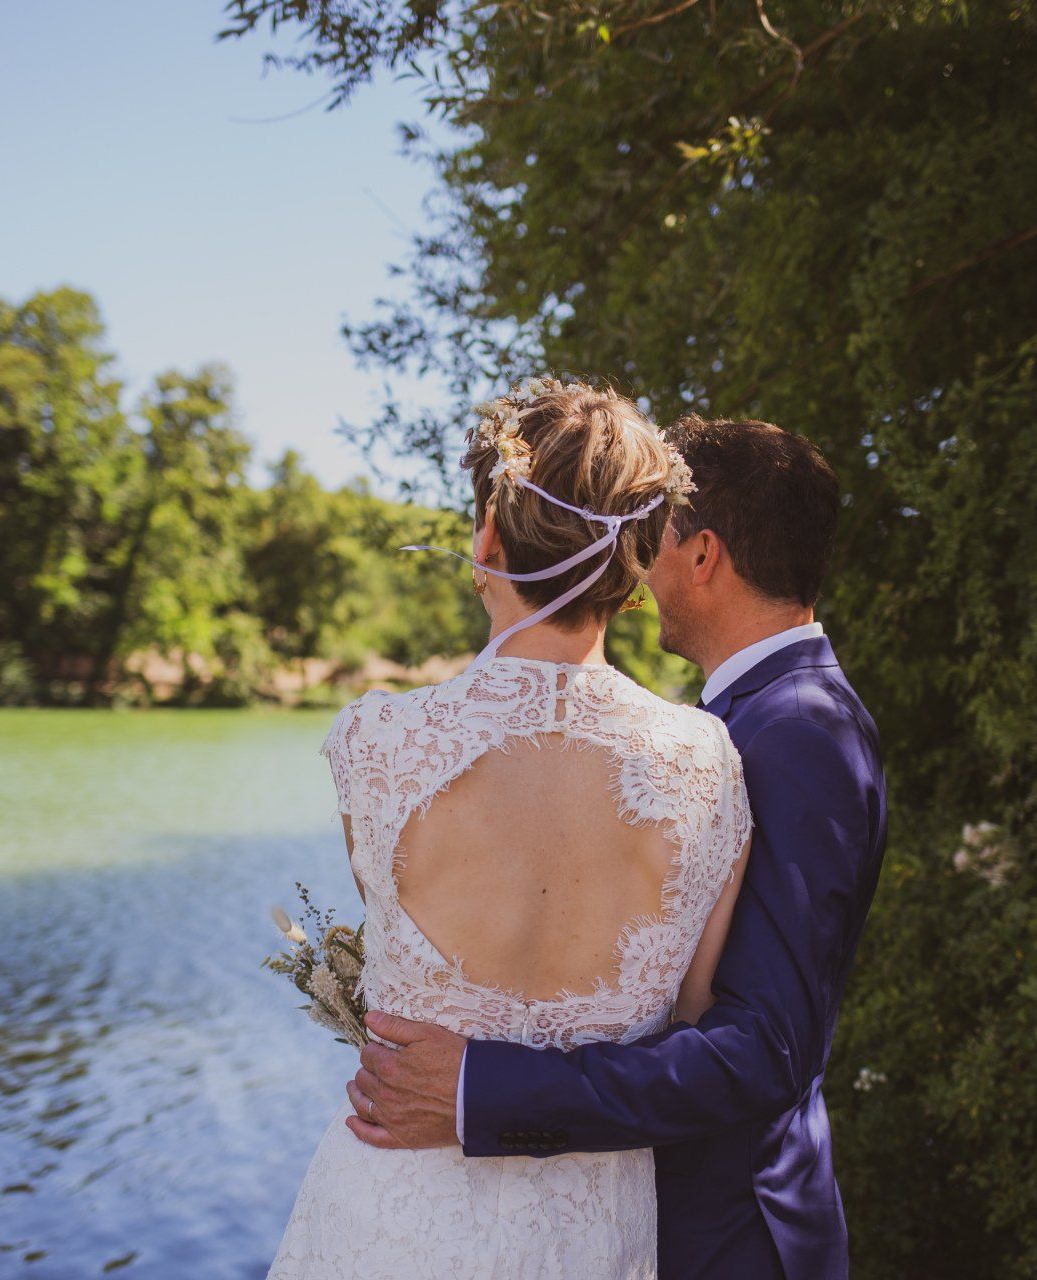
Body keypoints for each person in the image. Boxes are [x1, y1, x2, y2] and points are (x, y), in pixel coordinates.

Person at [345, 416, 888, 1280]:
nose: (633, 563)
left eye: (654, 536)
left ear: (701, 555)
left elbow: (765, 1049)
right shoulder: (737, 726)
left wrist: (478, 1088)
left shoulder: (797, 734)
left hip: (730, 1236)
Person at [267, 380, 753, 1279]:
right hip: (593, 1228)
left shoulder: (379, 739)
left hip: (395, 1213)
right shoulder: (709, 763)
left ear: (488, 535)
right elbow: (691, 1017)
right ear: (634, 566)